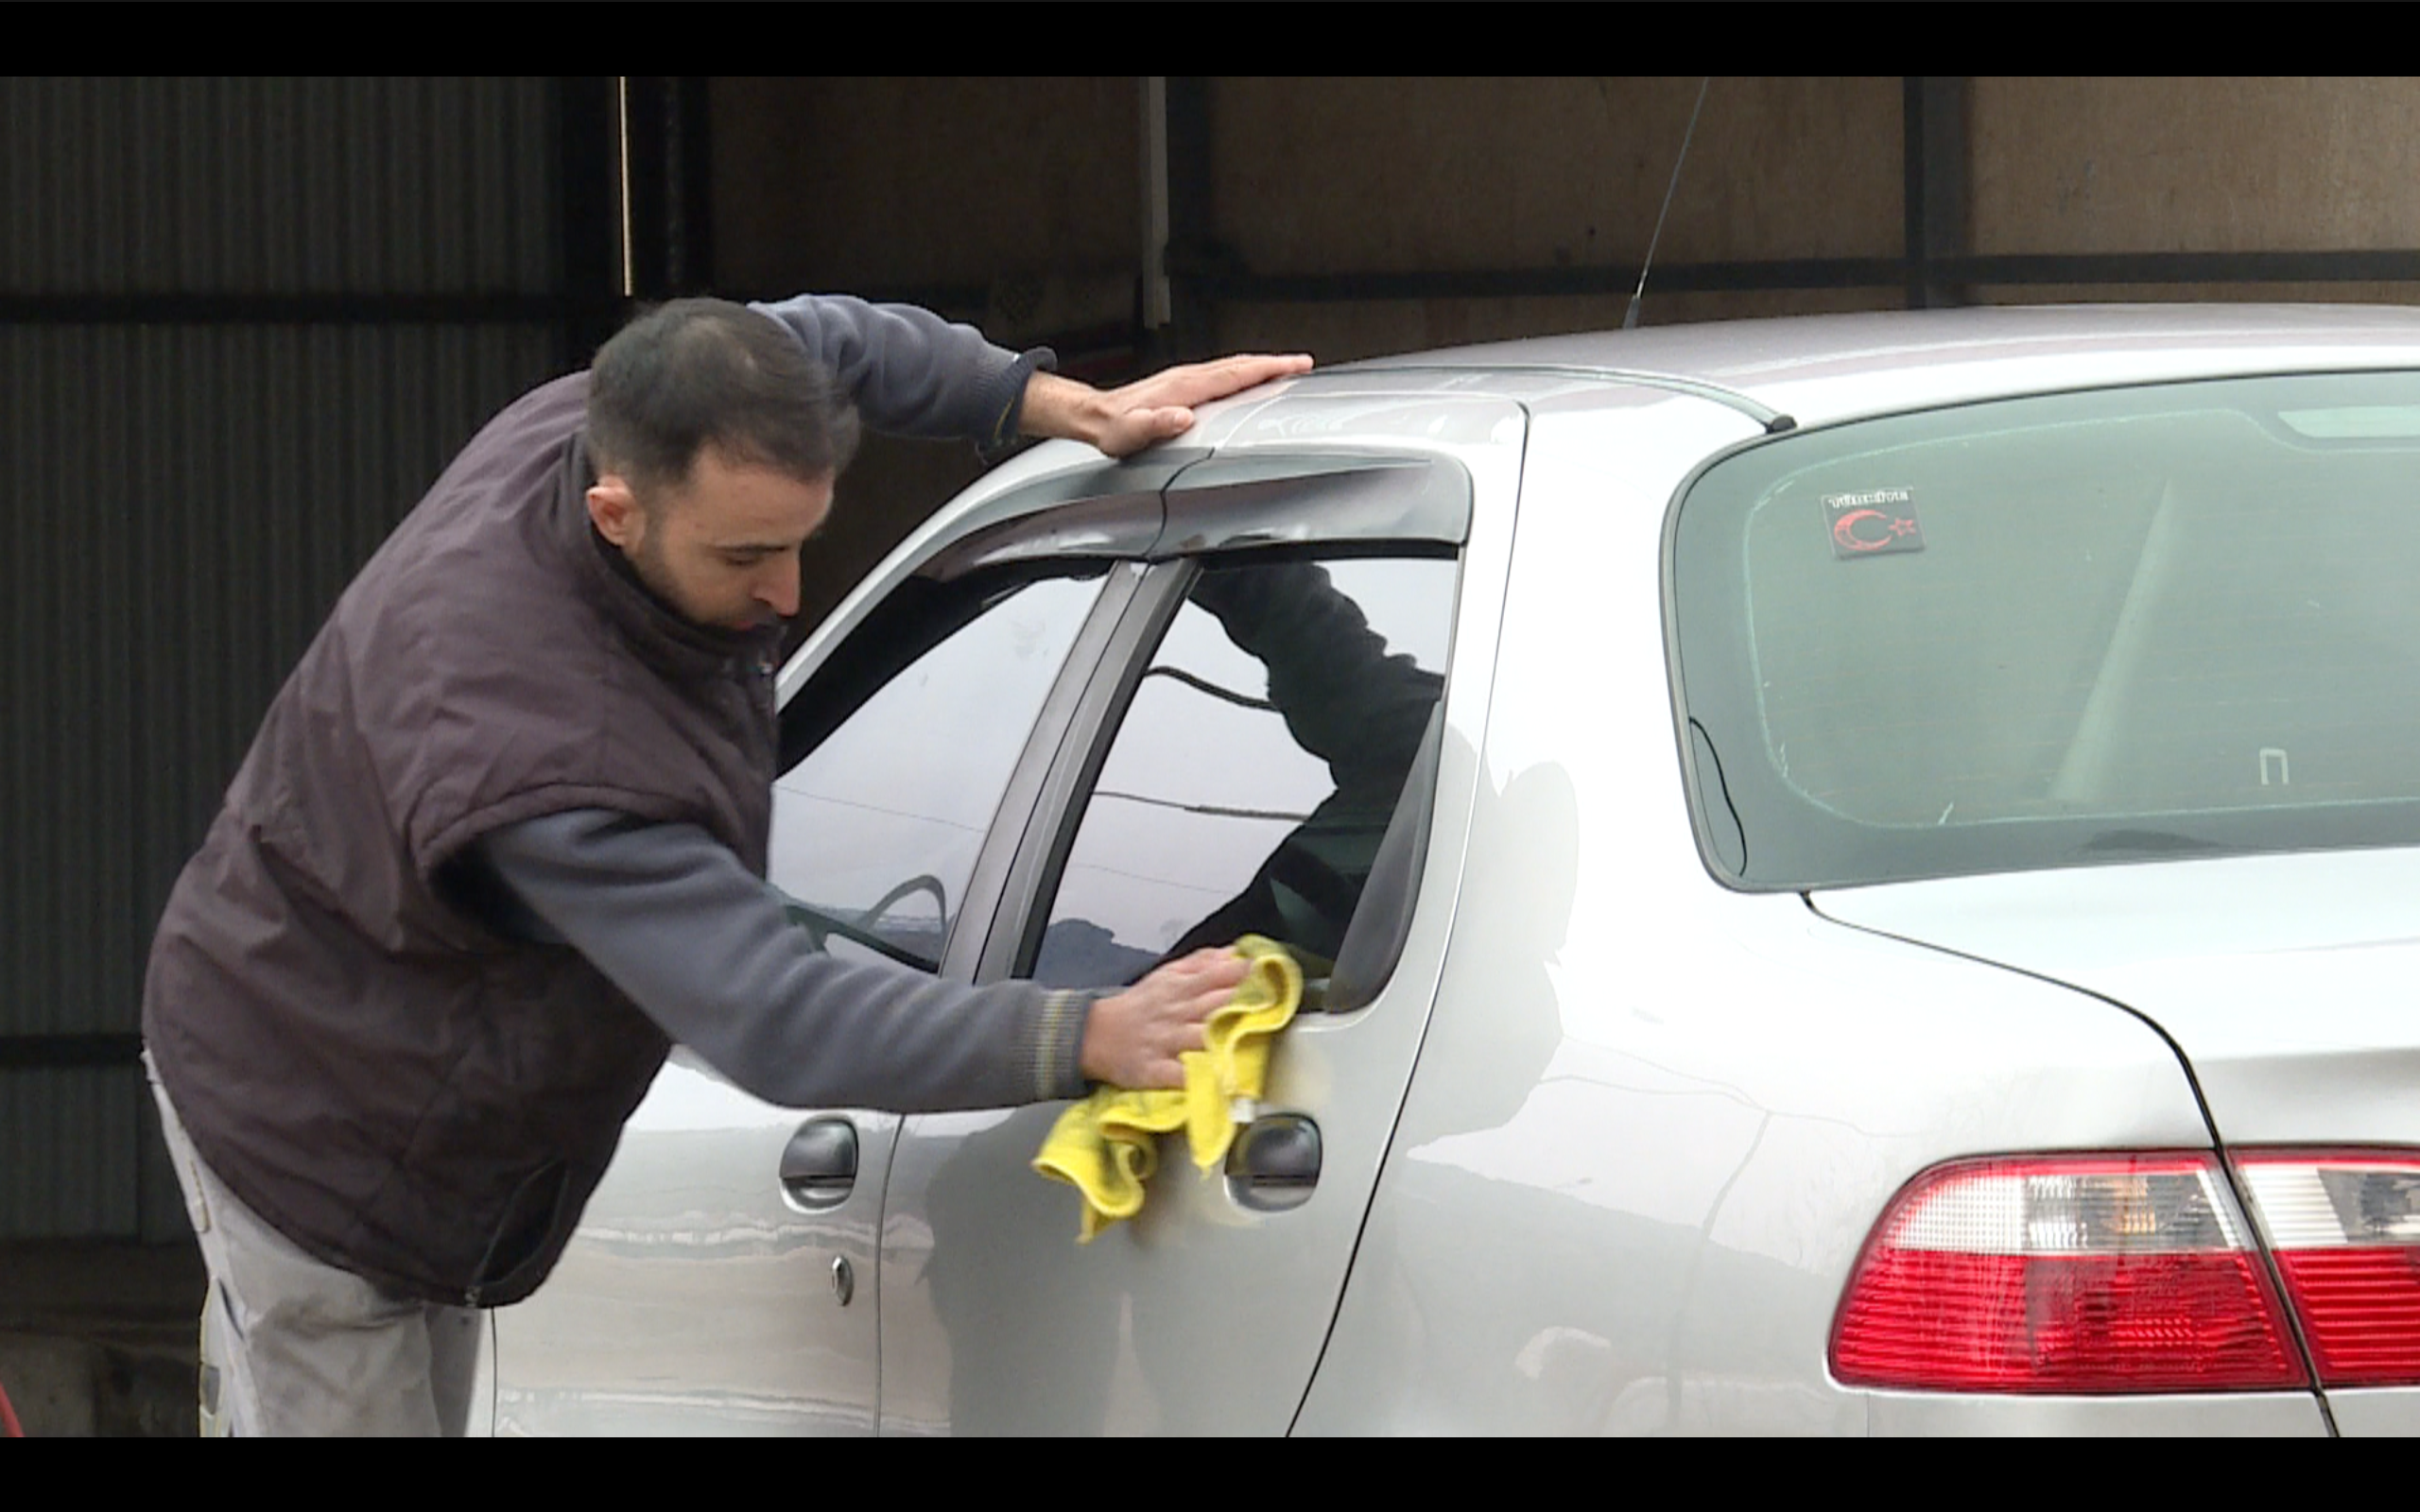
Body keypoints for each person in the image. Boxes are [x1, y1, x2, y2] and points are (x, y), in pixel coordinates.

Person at [138, 291, 1313, 1435]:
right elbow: (778, 1013)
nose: (788, 593)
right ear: (615, 512)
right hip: (311, 1107)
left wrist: (1054, 404)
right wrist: (1080, 1035)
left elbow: (835, 341)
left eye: (806, 539)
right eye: (747, 553)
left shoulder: (628, 411)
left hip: (400, 1016)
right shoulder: (546, 752)